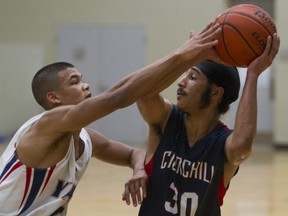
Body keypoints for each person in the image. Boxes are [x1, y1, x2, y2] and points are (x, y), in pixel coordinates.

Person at [0, 22, 223, 215]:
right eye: (74, 82)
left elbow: (134, 154)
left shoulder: (86, 139)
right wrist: (182, 55)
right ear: (53, 98)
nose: (85, 85)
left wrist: (138, 169)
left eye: (82, 79)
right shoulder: (46, 125)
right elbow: (117, 97)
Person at [122, 33, 280, 216]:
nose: (181, 82)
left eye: (193, 77)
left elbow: (243, 145)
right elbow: (144, 92)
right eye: (185, 75)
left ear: (215, 94)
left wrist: (252, 75)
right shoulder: (165, 119)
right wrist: (185, 55)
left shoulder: (223, 143)